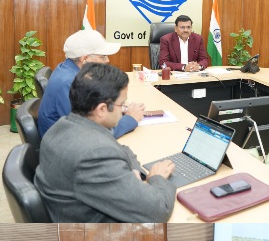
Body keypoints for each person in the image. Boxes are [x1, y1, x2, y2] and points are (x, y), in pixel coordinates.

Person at [35, 63, 176, 223]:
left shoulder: (63, 125)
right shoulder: (94, 155)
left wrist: (132, 174)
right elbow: (159, 210)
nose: (123, 109)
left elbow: (120, 148)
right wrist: (157, 178)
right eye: (122, 104)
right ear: (102, 109)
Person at [38, 30, 144, 138]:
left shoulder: (67, 69)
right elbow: (90, 133)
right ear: (85, 59)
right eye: (103, 56)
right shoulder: (69, 83)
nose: (107, 60)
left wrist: (115, 108)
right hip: (66, 144)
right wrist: (130, 119)